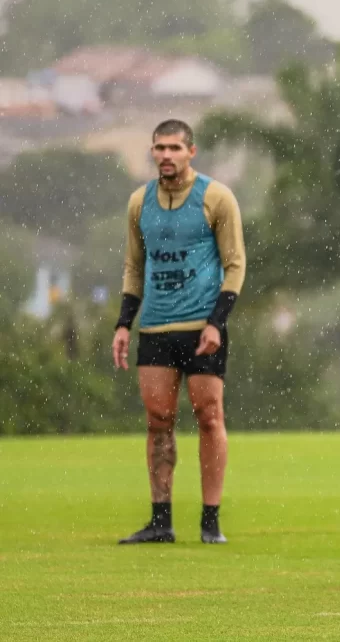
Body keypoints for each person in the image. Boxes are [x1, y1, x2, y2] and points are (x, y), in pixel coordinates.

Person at [112, 119, 246, 545]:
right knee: (158, 420)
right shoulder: (140, 203)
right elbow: (134, 267)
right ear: (152, 152)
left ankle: (210, 521)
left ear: (192, 151)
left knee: (209, 417)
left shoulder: (216, 197)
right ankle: (160, 521)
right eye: (159, 148)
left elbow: (235, 264)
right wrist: (122, 324)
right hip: (155, 326)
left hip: (201, 326)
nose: (165, 155)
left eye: (174, 148)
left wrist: (217, 322)